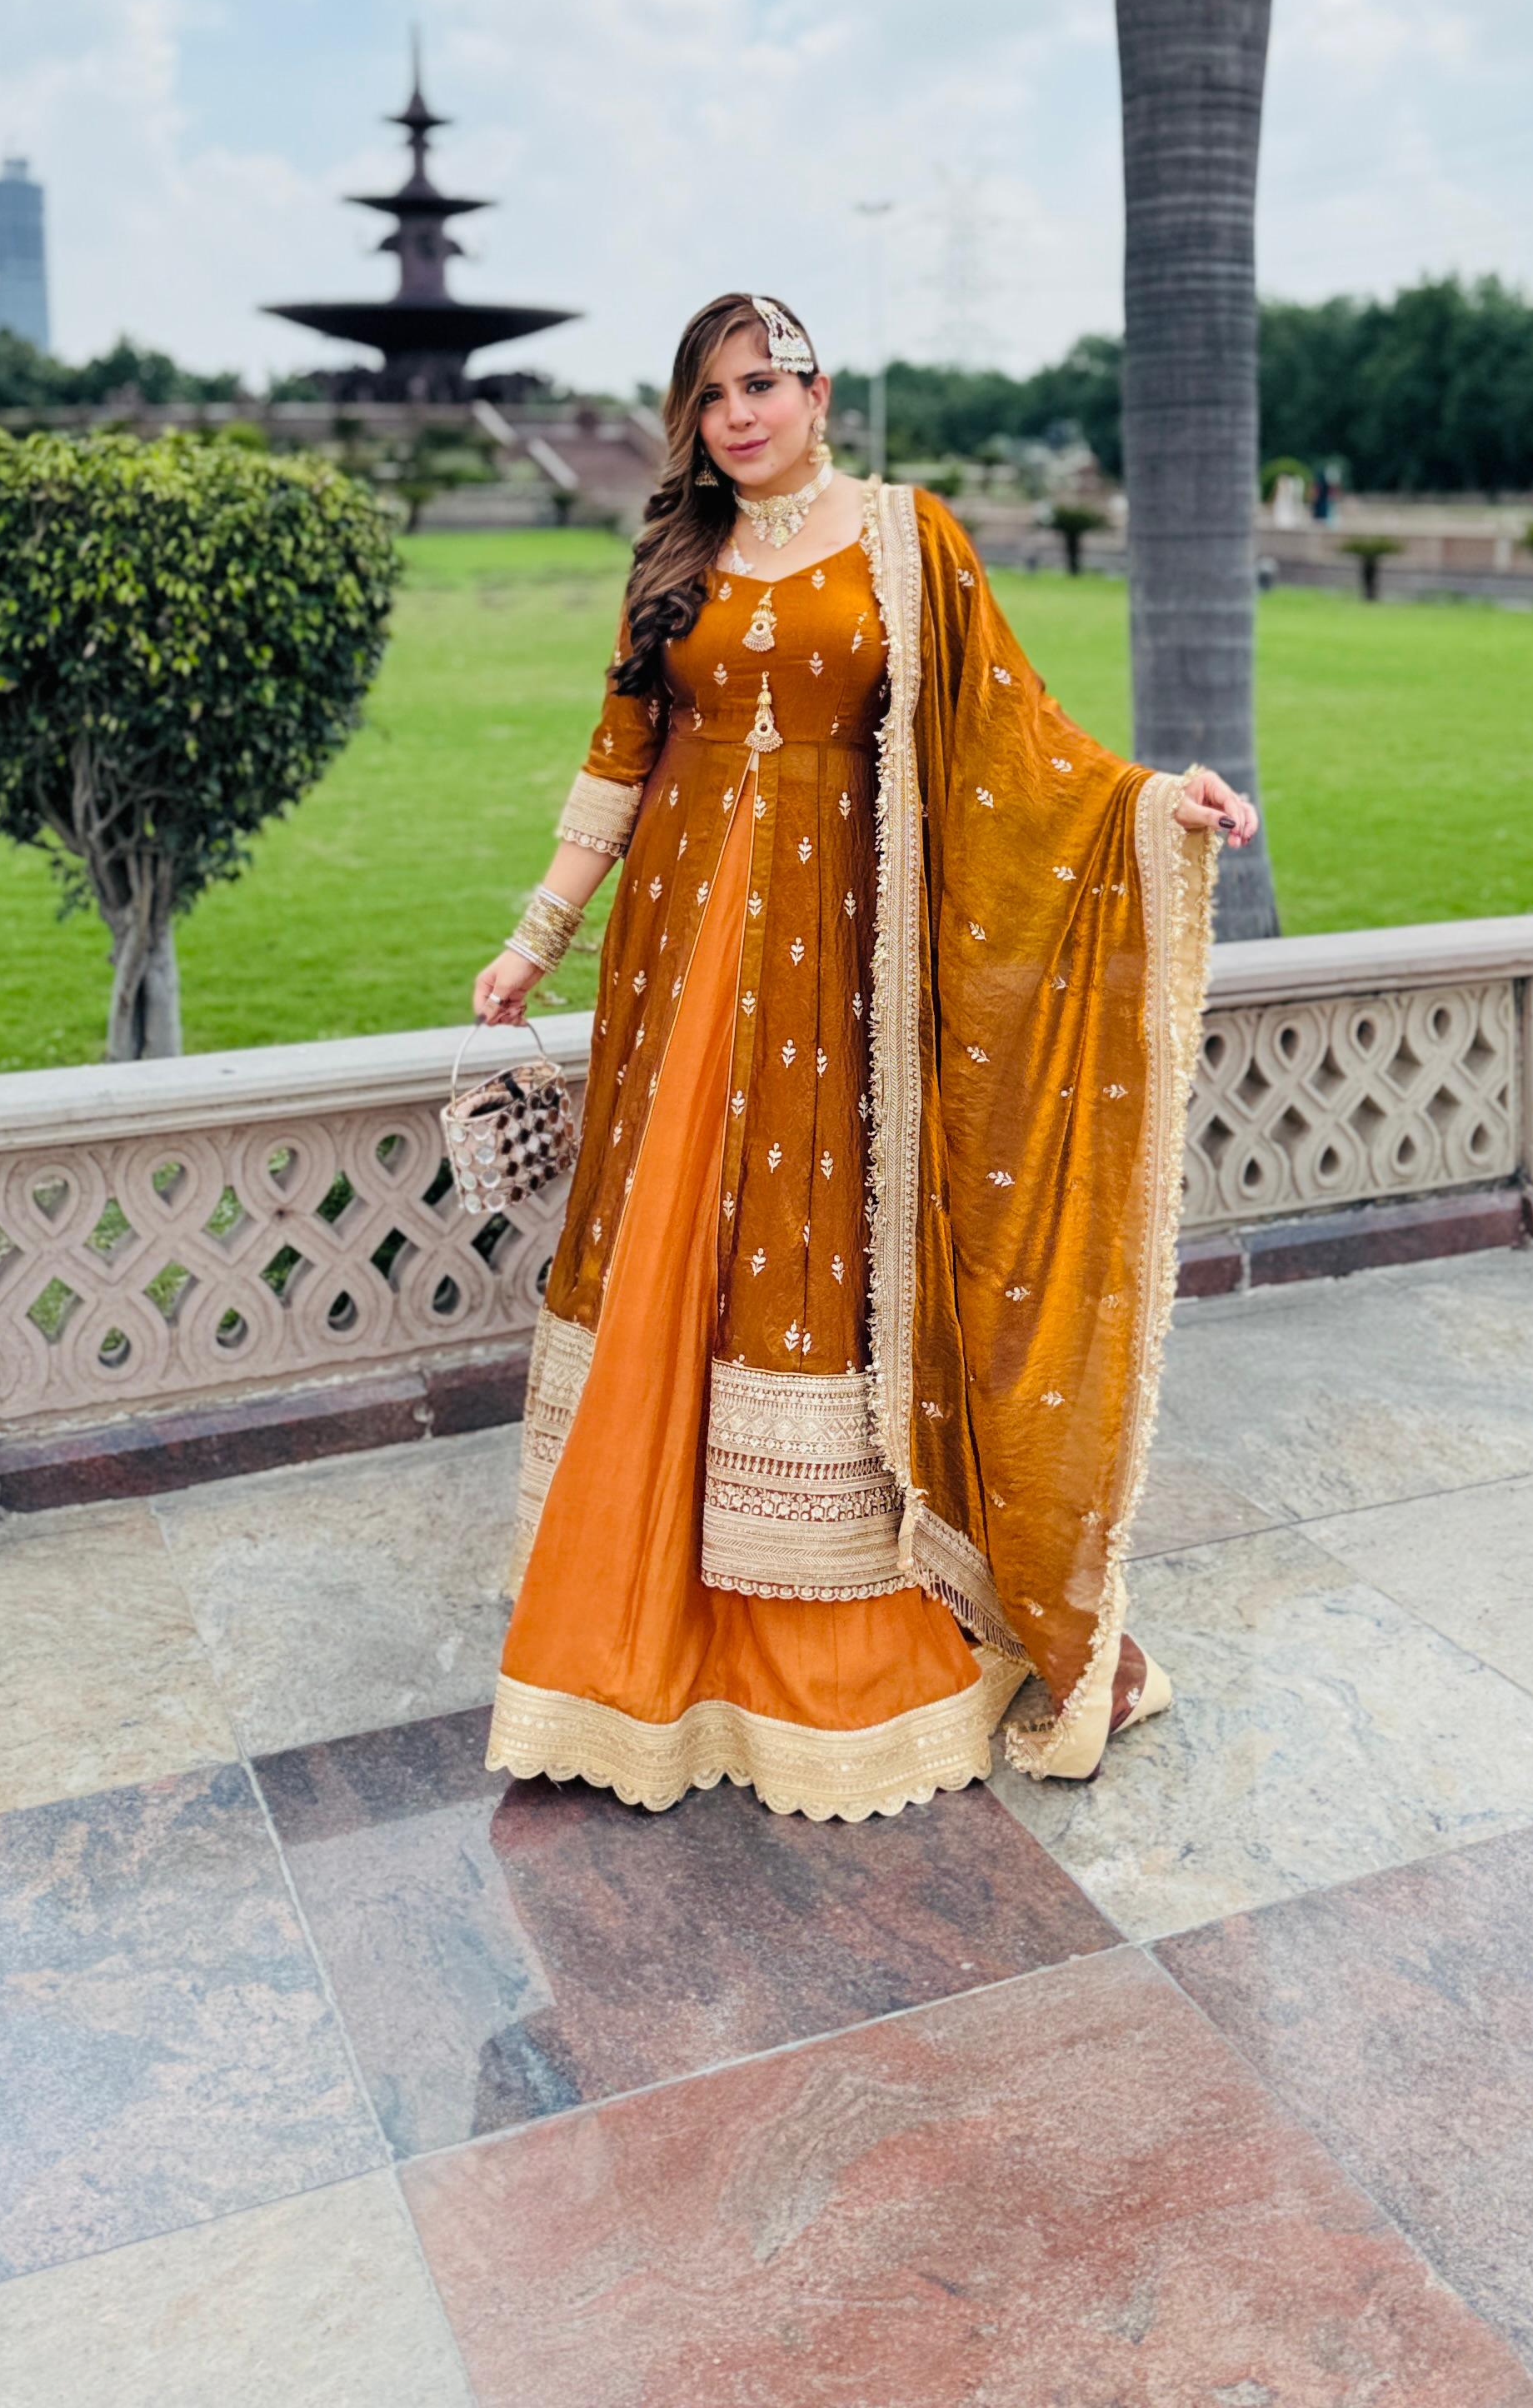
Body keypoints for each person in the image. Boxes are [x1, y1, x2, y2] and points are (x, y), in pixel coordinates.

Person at [473, 292, 1258, 1818]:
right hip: (675, 973)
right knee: (666, 1264)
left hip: (837, 978)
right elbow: (618, 760)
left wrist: (1158, 804)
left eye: (762, 384)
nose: (740, 416)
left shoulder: (911, 537)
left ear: (818, 392)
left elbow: (1018, 739)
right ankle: (632, 1646)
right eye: (711, 398)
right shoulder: (679, 564)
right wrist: (535, 940)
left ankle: (816, 1651)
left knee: (807, 1264)